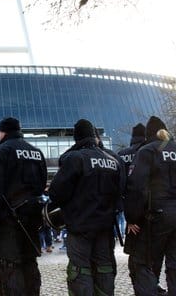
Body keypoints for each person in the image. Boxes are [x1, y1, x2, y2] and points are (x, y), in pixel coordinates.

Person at [125, 116, 176, 296]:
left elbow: (136, 187)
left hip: (156, 216)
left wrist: (132, 218)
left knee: (142, 263)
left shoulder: (148, 151)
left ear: (148, 134)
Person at [49, 119, 122, 295]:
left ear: (76, 137)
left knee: (80, 270)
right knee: (104, 268)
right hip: (105, 228)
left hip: (80, 227)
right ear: (94, 135)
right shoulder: (112, 160)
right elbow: (119, 193)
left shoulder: (75, 158)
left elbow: (56, 193)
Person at [0, 117, 47, 295]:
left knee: (12, 265)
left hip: (8, 220)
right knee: (30, 261)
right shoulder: (36, 152)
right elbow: (42, 185)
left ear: (3, 132)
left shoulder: (0, 152)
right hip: (32, 219)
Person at [119, 123, 167, 296]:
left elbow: (124, 185)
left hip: (133, 211)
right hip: (151, 209)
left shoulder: (123, 155)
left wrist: (129, 215)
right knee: (155, 252)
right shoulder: (153, 150)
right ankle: (154, 283)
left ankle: (141, 288)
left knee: (137, 255)